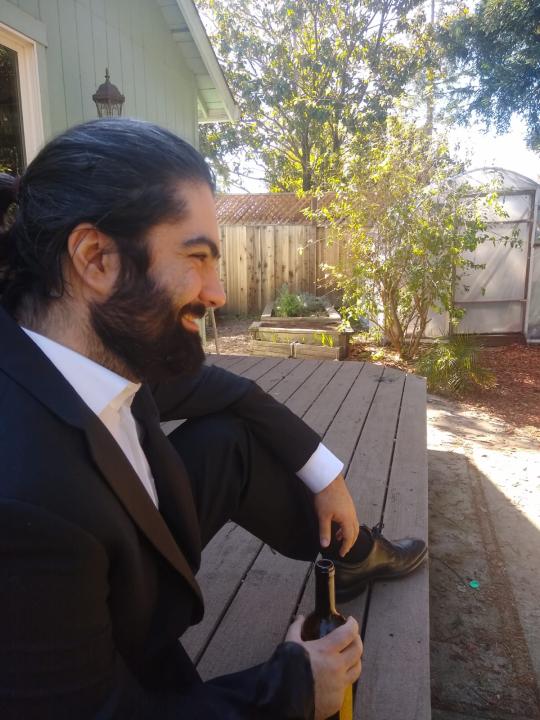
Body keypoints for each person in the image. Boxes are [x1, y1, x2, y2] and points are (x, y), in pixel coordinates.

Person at [0, 119, 427, 720]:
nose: (218, 291)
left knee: (231, 440)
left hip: (126, 559)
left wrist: (324, 474)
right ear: (96, 258)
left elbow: (227, 388)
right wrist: (294, 686)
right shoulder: (25, 506)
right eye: (196, 257)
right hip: (129, 654)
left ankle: (349, 555)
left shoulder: (79, 345)